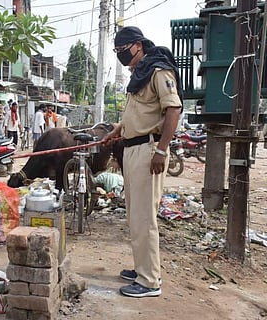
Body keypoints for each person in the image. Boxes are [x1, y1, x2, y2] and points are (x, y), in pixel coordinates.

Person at [103, 26, 182, 298]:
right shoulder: (140, 75)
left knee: (144, 218)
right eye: (117, 52)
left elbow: (173, 109)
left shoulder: (159, 71)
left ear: (138, 45)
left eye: (123, 50)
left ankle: (150, 282)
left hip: (149, 150)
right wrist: (117, 130)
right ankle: (142, 269)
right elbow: (135, 114)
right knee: (134, 215)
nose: (121, 56)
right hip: (132, 148)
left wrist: (161, 151)